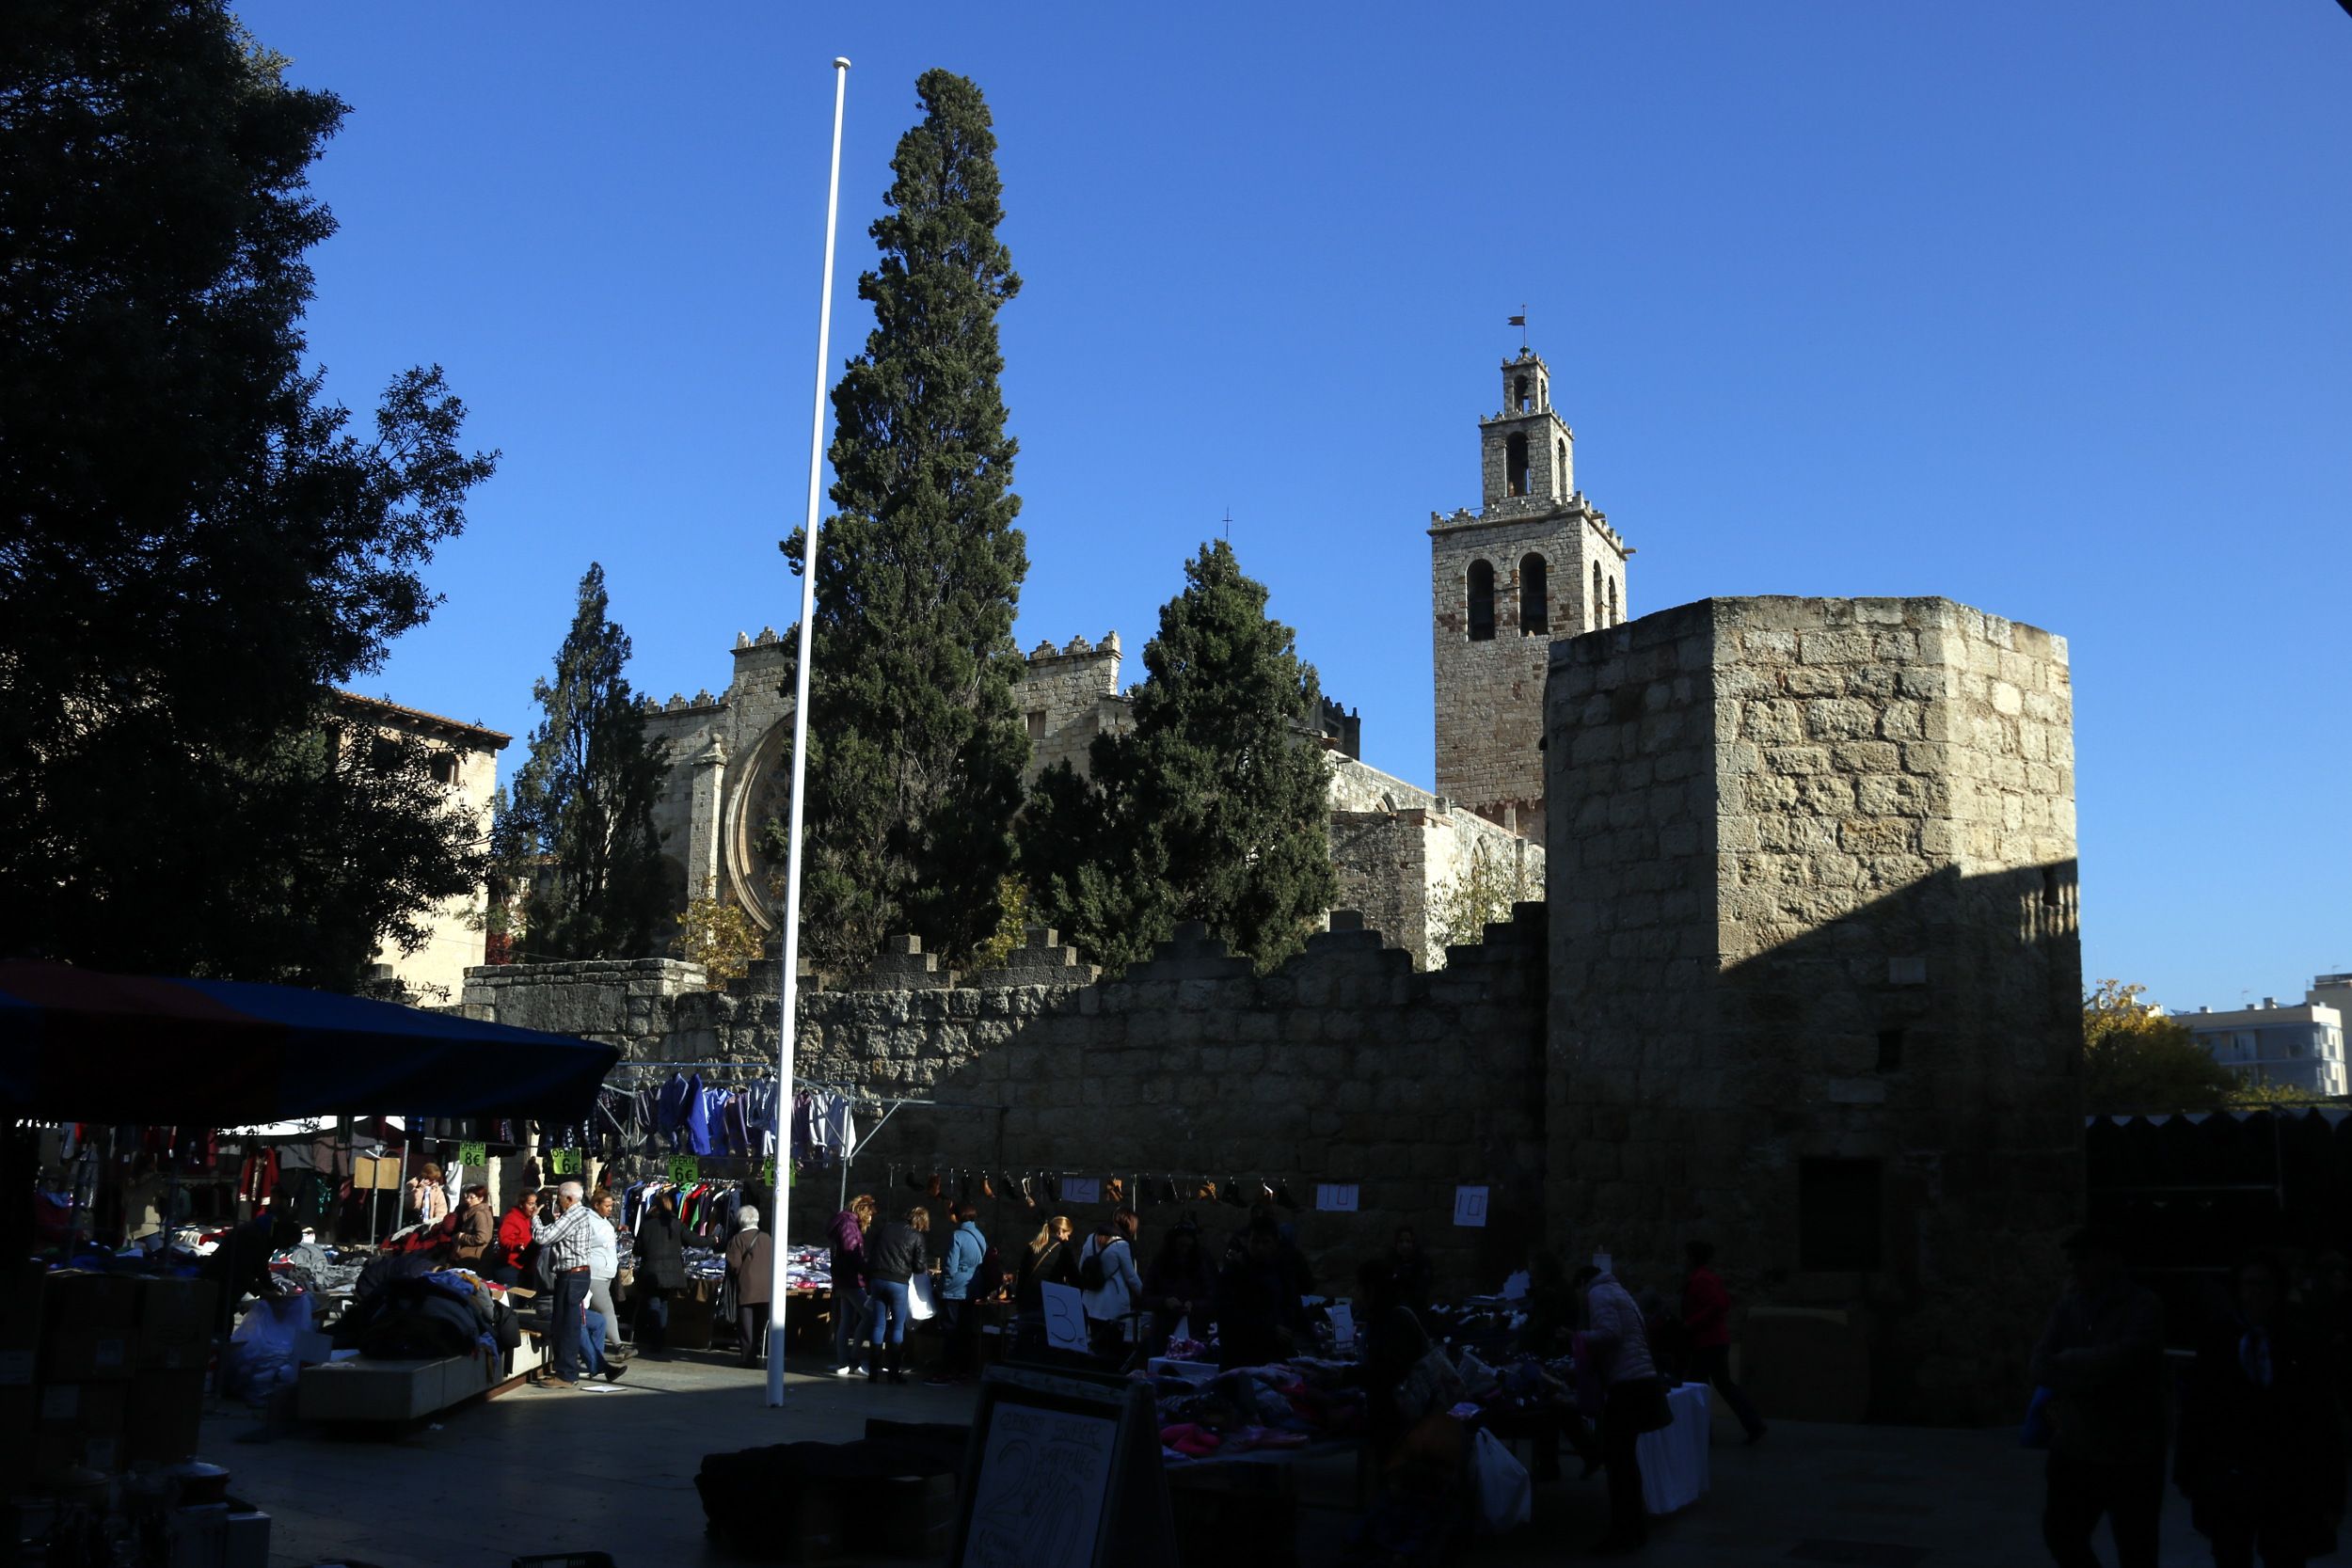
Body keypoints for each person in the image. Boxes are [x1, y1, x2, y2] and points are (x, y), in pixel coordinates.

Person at [2175, 1251, 2344, 1568]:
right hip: (2231, 1475)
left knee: (2285, 1556)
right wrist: (2189, 1472)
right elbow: (2198, 1410)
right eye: (2249, 1284)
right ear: (2238, 1289)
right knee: (2230, 1554)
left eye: (2264, 1284)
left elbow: (2322, 1419)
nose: (2256, 1293)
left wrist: (2332, 1492)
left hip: (2286, 1477)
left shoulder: (2301, 1342)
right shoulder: (2220, 1339)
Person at [2031, 1227, 2167, 1568]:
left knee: (2136, 1549)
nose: (2075, 1268)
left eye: (2083, 1259)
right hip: (2076, 1448)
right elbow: (2040, 1364)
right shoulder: (2069, 1306)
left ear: (2110, 1259)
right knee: (2062, 1535)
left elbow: (2127, 1359)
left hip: (2131, 1454)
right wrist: (2091, 1368)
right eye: (2074, 1260)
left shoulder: (2144, 1306)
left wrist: (2072, 1363)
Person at [1581, 1261, 1661, 1555]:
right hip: (1642, 1379)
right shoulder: (1620, 1292)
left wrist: (1578, 1338)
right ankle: (1635, 1528)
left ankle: (1622, 1533)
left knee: (1618, 1462)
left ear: (1582, 1283)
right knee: (1626, 1461)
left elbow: (1610, 1333)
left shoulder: (1598, 1294)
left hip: (1626, 1384)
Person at [1682, 1241, 1767, 1444]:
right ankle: (1753, 1424)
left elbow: (1718, 1305)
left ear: (1692, 1258)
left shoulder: (1701, 1279)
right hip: (1716, 1340)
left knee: (1697, 1386)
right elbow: (1724, 1302)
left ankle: (1702, 1432)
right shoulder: (1709, 1278)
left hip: (1706, 1342)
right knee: (1722, 1384)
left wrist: (1691, 1324)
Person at [530, 1181, 598, 1390]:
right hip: (577, 1274)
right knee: (567, 1324)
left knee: (565, 1326)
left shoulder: (572, 1215)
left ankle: (566, 1375)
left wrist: (534, 1218)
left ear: (569, 1199)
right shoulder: (584, 1213)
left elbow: (542, 1237)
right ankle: (569, 1371)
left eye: (559, 1197)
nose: (557, 1202)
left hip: (571, 1275)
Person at [1215, 1214, 1307, 1369]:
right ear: (1247, 1242)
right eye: (1255, 1242)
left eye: (1265, 1242)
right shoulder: (1235, 1271)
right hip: (1241, 1359)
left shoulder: (1281, 1270)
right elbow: (1227, 1315)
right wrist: (1268, 1329)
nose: (1259, 1247)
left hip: (1275, 1356)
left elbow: (1292, 1304)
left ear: (1275, 1243)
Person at [863, 1203, 929, 1385]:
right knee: (898, 1327)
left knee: (878, 1325)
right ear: (921, 1222)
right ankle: (893, 1373)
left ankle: (873, 1373)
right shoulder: (917, 1237)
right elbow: (919, 1267)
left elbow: (871, 1251)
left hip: (877, 1279)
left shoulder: (886, 1228)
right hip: (898, 1283)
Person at [929, 1199, 989, 1386]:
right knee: (965, 1330)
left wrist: (943, 1286)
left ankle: (946, 1371)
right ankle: (964, 1370)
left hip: (955, 1288)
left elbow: (950, 1266)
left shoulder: (957, 1236)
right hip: (972, 1287)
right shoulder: (979, 1236)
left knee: (950, 1330)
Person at [1139, 1219, 1216, 1354]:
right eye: (1181, 1246)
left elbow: (1211, 1297)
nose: (1184, 1251)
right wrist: (1165, 1302)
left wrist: (1193, 1305)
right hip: (1163, 1330)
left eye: (1188, 1247)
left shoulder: (1202, 1263)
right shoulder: (1160, 1262)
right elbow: (1146, 1296)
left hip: (1193, 1330)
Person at [1079, 1210, 1143, 1363]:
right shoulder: (1121, 1245)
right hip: (1112, 1306)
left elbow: (1081, 1266)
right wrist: (1145, 1295)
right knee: (1112, 1350)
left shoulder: (1091, 1238)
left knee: (1094, 1345)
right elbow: (1131, 1277)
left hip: (1090, 1301)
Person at [1013, 1214, 1079, 1358]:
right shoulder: (1063, 1251)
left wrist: (1019, 1300)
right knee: (1045, 1344)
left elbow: (1022, 1277)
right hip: (1049, 1303)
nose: (1068, 1238)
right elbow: (1075, 1279)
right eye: (1068, 1234)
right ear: (1060, 1232)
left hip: (1027, 1301)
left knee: (1024, 1340)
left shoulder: (1033, 1247)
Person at [827, 1194, 876, 1377]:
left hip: (842, 1278)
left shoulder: (845, 1222)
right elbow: (851, 1252)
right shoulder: (849, 1225)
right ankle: (853, 1359)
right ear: (863, 1211)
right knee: (869, 1315)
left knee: (846, 1320)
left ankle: (843, 1362)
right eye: (870, 1214)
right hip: (850, 1279)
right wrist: (865, 1270)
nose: (871, 1218)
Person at [632, 1187, 686, 1354]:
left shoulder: (647, 1224)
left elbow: (637, 1249)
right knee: (663, 1303)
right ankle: (660, 1338)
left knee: (654, 1303)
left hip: (652, 1271)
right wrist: (713, 1240)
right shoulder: (676, 1224)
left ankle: (655, 1340)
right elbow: (693, 1239)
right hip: (671, 1271)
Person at [724, 1207, 773, 1369]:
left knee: (746, 1326)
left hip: (746, 1287)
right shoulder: (768, 1238)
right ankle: (757, 1351)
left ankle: (748, 1358)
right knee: (760, 1324)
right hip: (766, 1289)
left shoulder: (737, 1240)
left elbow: (734, 1264)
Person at [584, 1190, 627, 1357]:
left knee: (596, 1315)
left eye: (611, 1206)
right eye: (607, 1205)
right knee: (606, 1309)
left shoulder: (605, 1222)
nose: (610, 1209)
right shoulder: (589, 1221)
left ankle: (594, 1350)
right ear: (597, 1205)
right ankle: (619, 1346)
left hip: (607, 1273)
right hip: (595, 1273)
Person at [492, 1190, 538, 1287]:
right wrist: (516, 1246)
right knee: (512, 1299)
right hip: (510, 1267)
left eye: (535, 1204)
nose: (534, 1208)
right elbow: (504, 1239)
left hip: (526, 1267)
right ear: (521, 1204)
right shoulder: (512, 1218)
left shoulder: (530, 1219)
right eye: (530, 1204)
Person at [449, 1184, 495, 1271]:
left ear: (480, 1199)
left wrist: (462, 1237)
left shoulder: (480, 1215)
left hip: (474, 1257)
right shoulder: (470, 1212)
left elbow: (481, 1238)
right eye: (467, 1197)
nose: (467, 1200)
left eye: (471, 1197)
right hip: (467, 1255)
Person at [406, 1163, 448, 1229]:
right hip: (412, 1224)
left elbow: (441, 1212)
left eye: (436, 1179)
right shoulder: (411, 1185)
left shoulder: (437, 1191)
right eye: (432, 1179)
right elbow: (411, 1205)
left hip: (430, 1226)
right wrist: (420, 1190)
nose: (434, 1181)